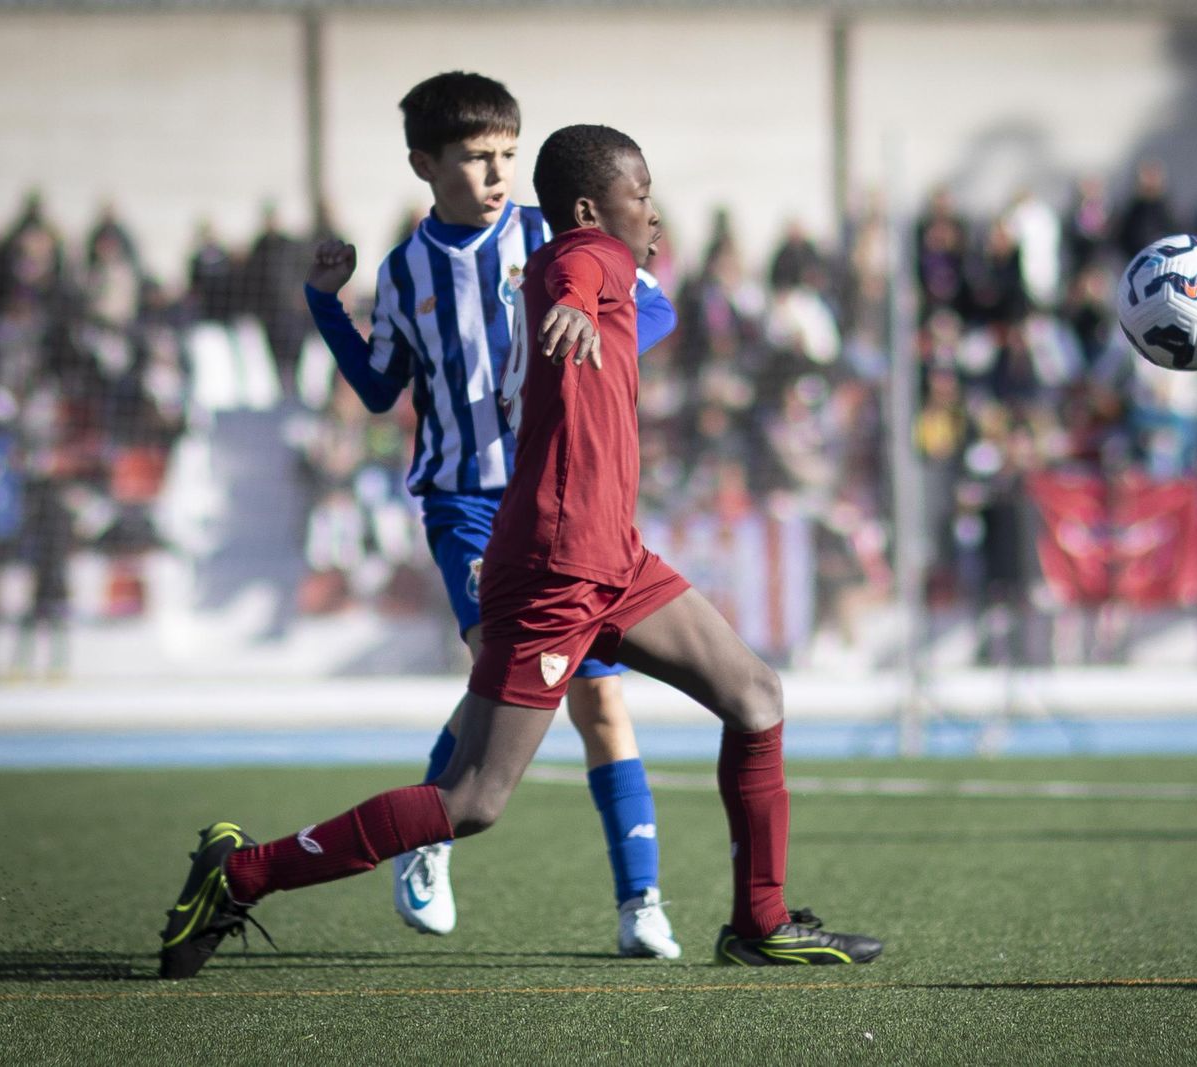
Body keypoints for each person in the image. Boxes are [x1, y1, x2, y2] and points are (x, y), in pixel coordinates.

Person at [159, 122, 882, 979]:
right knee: (473, 800)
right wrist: (577, 305)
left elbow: (609, 288)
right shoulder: (585, 256)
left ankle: (758, 921)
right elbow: (582, 274)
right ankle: (239, 873)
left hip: (612, 557)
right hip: (556, 566)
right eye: (640, 194)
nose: (653, 211)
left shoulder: (563, 261)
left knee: (756, 696)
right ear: (590, 207)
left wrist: (585, 307)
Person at [295, 73, 678, 957]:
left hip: (567, 497)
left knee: (602, 705)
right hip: (466, 503)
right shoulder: (403, 273)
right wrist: (326, 304)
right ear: (424, 164)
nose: (498, 172)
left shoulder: (555, 235)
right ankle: (429, 833)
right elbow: (380, 384)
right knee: (493, 665)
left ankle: (641, 901)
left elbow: (651, 307)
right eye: (477, 157)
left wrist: (594, 332)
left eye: (509, 153)